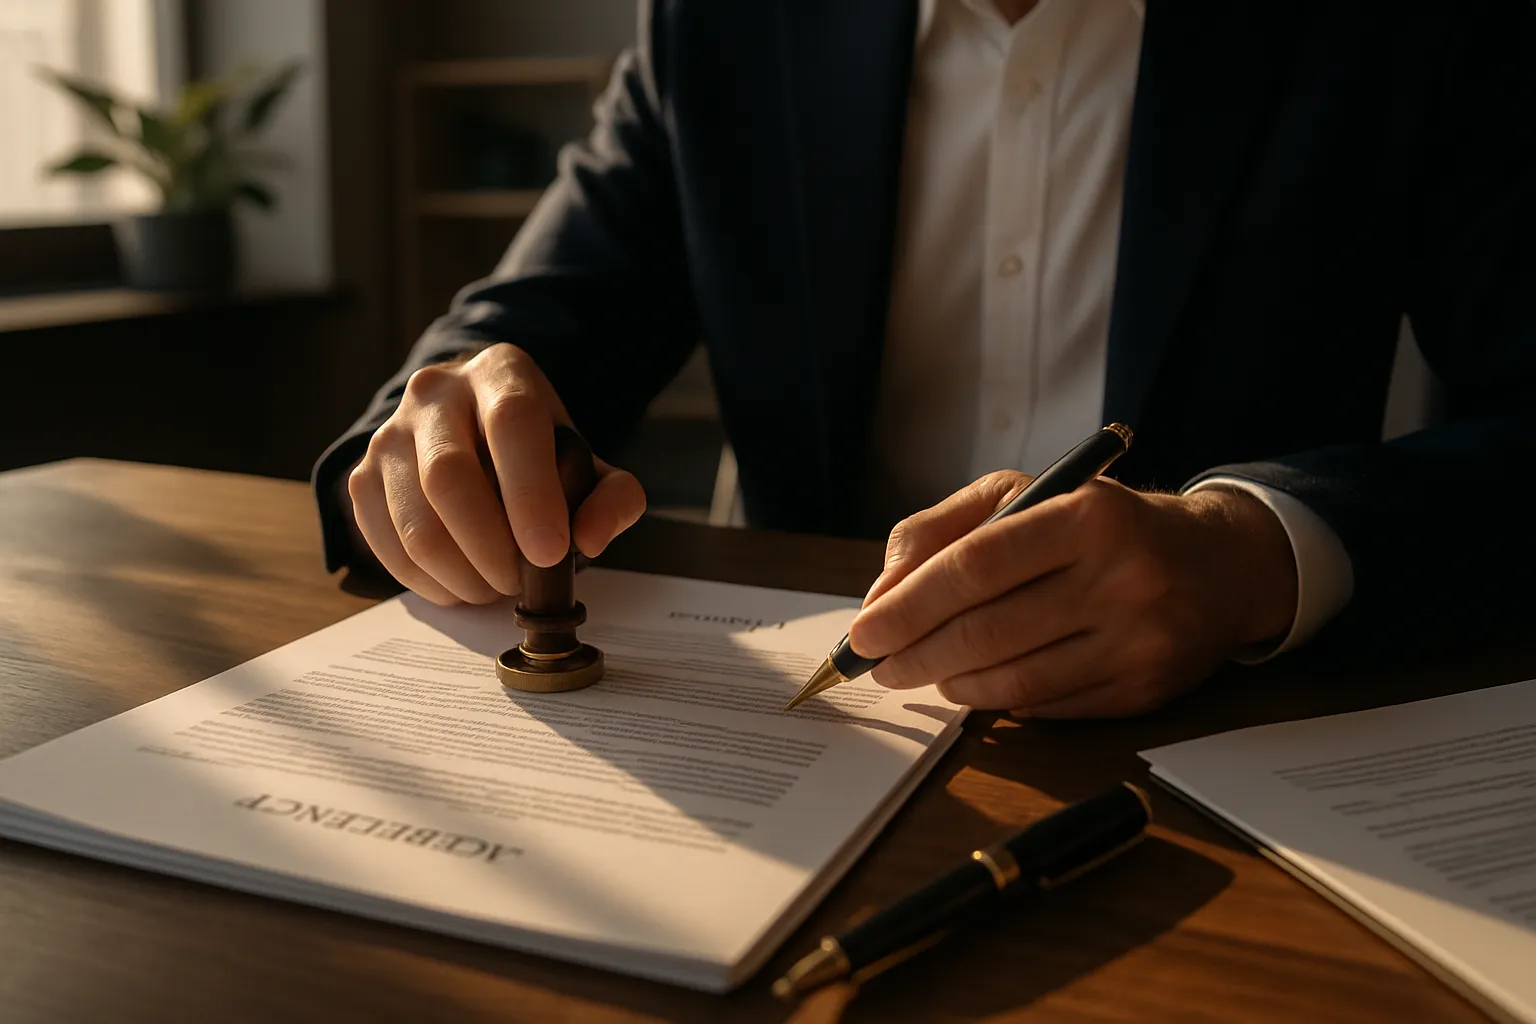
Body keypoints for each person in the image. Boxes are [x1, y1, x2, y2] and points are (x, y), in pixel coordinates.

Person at [314, 0, 1536, 718]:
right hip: (800, 738)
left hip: (1229, 752)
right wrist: (443, 429)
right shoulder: (727, 22)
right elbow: (534, 319)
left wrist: (1251, 554)